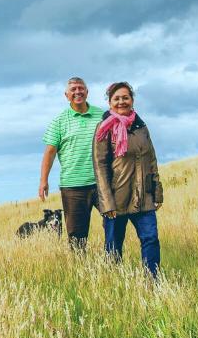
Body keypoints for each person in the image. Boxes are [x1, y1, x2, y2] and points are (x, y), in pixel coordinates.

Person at [93, 82, 163, 279]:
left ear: (132, 100)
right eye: (117, 98)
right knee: (113, 245)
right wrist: (106, 203)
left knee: (150, 239)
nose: (121, 101)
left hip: (144, 197)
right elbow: (100, 166)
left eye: (125, 97)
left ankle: (153, 281)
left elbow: (152, 160)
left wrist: (157, 192)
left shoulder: (141, 127)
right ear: (110, 102)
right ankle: (114, 284)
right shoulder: (103, 128)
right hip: (117, 198)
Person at [40, 77, 105, 249]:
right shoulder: (59, 121)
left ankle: (113, 263)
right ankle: (81, 269)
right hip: (73, 187)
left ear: (87, 92)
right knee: (77, 236)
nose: (78, 92)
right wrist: (43, 180)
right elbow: (50, 152)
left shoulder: (102, 115)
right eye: (73, 89)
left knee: (114, 223)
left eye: (81, 88)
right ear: (66, 95)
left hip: (102, 183)